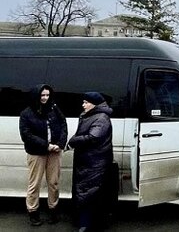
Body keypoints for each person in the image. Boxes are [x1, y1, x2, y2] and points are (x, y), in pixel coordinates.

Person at [19, 84, 67, 227]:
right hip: (37, 153)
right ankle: (33, 212)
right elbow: (26, 135)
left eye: (47, 95)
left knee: (54, 183)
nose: (45, 98)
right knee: (35, 184)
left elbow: (63, 124)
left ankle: (53, 210)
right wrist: (46, 145)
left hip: (55, 152)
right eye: (42, 95)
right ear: (36, 96)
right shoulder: (26, 113)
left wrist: (60, 143)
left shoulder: (54, 108)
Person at [67, 91, 113, 232]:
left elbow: (93, 137)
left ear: (94, 104)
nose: (83, 105)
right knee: (85, 191)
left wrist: (73, 141)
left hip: (95, 162)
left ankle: (87, 224)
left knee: (90, 192)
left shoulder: (101, 118)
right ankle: (84, 222)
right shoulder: (89, 115)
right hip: (87, 160)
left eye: (86, 102)